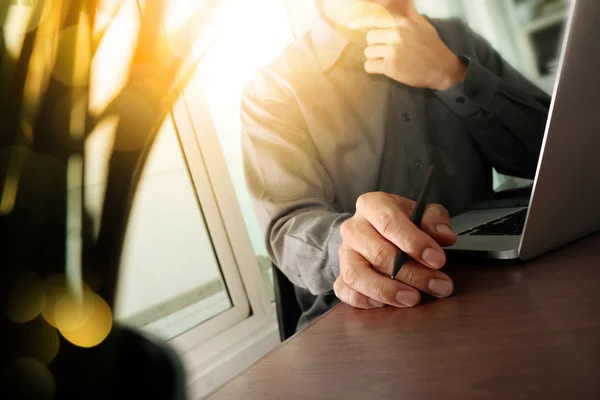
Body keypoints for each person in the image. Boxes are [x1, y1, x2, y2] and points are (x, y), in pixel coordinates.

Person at [241, 0, 550, 329]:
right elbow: (288, 228)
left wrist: (452, 75)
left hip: (485, 287)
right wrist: (352, 243)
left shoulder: (456, 40)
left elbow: (548, 154)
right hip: (364, 318)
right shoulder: (274, 89)